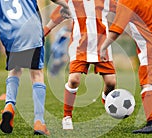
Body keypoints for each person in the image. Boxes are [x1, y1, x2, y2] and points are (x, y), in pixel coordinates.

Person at [0, 0, 70, 135]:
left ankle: (9, 106)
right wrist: (65, 5)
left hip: (11, 36)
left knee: (14, 71)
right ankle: (39, 122)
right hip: (32, 32)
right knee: (37, 74)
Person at [100, 0, 152, 134]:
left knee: (146, 81)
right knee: (151, 79)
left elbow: (117, 30)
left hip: (151, 46)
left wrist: (103, 48)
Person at [44, 0, 117, 130]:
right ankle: (67, 117)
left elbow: (124, 12)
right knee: (73, 80)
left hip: (102, 45)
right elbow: (56, 18)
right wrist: (43, 33)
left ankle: (107, 101)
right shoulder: (71, 1)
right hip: (80, 46)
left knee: (111, 83)